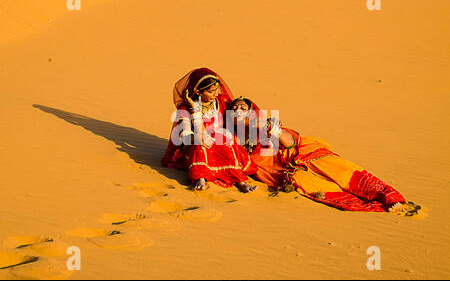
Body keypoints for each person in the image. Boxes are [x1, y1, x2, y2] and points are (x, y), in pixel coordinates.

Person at [229, 97, 420, 214]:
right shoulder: (232, 137)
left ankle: (391, 197)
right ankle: (372, 204)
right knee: (310, 184)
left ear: (252, 113)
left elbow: (290, 142)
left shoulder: (264, 125)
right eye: (234, 108)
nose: (237, 111)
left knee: (342, 170)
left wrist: (273, 130)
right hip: (286, 171)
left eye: (242, 108)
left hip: (304, 154)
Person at [161, 68, 257, 192]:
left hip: (220, 142)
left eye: (216, 90)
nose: (216, 94)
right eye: (211, 92)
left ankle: (240, 181)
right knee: (200, 146)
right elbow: (184, 135)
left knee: (227, 143)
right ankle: (200, 178)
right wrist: (198, 133)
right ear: (198, 92)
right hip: (195, 144)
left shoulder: (221, 102)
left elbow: (241, 112)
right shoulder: (185, 109)